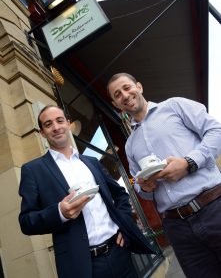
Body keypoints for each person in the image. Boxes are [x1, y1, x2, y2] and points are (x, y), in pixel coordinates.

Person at [18, 105, 155, 278]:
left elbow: (120, 194)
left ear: (68, 124)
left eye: (60, 121)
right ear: (42, 133)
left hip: (120, 253)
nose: (56, 127)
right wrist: (60, 212)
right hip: (83, 266)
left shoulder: (91, 162)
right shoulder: (33, 170)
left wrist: (123, 226)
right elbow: (26, 221)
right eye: (48, 124)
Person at [107, 72, 221, 278]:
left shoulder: (175, 106)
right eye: (117, 94)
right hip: (178, 228)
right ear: (116, 104)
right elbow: (139, 186)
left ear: (139, 87)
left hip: (214, 207)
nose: (124, 95)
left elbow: (216, 131)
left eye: (127, 87)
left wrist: (188, 163)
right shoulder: (130, 145)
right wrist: (145, 187)